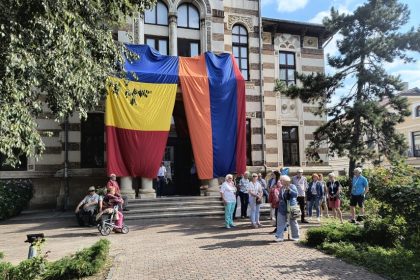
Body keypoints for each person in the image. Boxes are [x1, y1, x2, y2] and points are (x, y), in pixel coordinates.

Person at [274, 175, 300, 242]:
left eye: (281, 180)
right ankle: (279, 236)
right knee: (280, 222)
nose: (280, 181)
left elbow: (296, 194)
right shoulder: (281, 188)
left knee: (293, 222)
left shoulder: (292, 186)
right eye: (280, 180)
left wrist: (290, 190)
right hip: (282, 207)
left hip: (291, 207)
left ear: (286, 181)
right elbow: (280, 197)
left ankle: (295, 236)